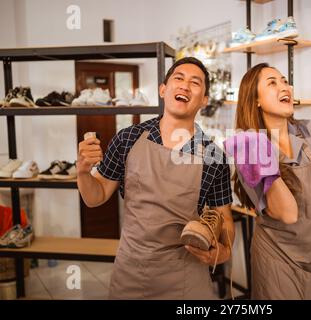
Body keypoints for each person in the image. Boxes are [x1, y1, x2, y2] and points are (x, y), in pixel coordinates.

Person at [77, 57, 235, 299]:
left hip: (185, 279)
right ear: (163, 89)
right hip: (130, 273)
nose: (184, 86)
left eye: (195, 82)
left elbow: (224, 219)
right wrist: (82, 171)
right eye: (178, 78)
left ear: (204, 100)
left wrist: (223, 251)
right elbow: (95, 197)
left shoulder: (214, 156)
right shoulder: (128, 139)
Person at [226, 63, 311, 300]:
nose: (284, 87)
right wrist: (262, 156)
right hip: (279, 264)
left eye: (285, 81)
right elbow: (287, 213)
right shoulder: (249, 150)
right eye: (272, 83)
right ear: (255, 99)